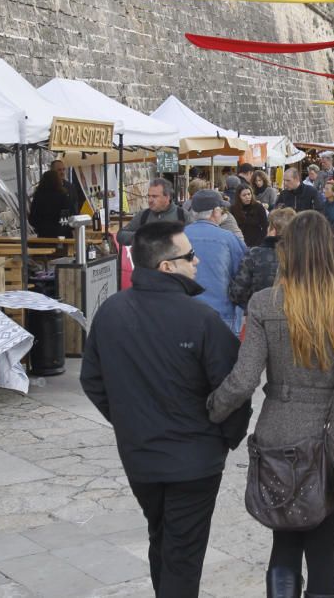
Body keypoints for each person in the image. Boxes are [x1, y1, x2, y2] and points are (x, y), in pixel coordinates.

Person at [206, 211, 334, 598]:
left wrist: (213, 412)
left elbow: (243, 380)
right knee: (324, 556)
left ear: (287, 252)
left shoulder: (265, 304)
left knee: (283, 544)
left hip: (279, 434)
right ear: (331, 253)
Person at [80, 221, 251, 597]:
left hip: (144, 456)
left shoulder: (110, 312)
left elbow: (92, 381)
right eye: (189, 256)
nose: (197, 260)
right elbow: (235, 389)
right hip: (192, 461)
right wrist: (222, 438)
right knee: (182, 554)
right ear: (166, 266)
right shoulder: (201, 318)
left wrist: (129, 421)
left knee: (164, 540)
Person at [185, 190, 246, 331]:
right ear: (215, 212)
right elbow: (243, 275)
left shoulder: (179, 236)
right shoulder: (228, 238)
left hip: (186, 312)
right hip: (222, 312)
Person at [229, 208, 296, 310]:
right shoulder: (302, 255)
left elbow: (237, 293)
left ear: (273, 231)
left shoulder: (254, 254)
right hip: (296, 315)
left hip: (261, 314)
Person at [117, 178, 188, 246]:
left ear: (167, 197)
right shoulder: (143, 215)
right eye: (149, 196)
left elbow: (193, 239)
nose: (150, 200)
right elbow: (121, 235)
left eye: (154, 196)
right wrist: (142, 237)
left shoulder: (182, 215)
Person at [29, 169, 75, 238]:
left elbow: (32, 218)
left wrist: (41, 227)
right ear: (57, 181)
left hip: (44, 235)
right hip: (62, 236)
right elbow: (69, 216)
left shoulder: (38, 196)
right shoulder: (63, 196)